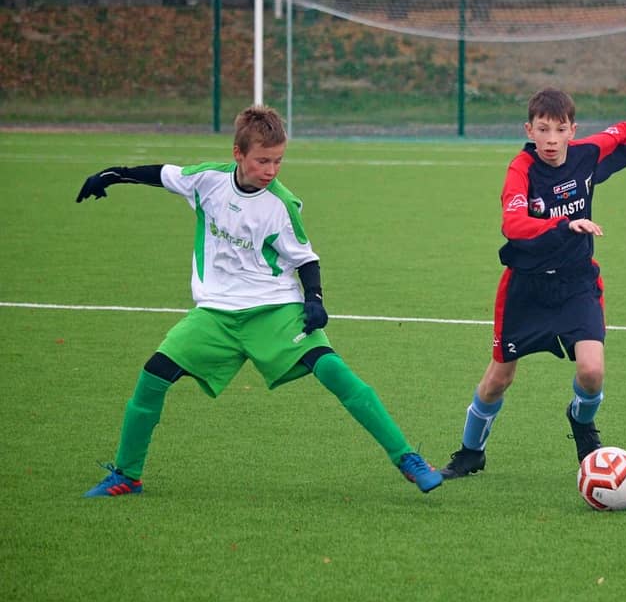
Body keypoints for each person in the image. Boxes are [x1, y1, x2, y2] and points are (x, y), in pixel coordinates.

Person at [76, 105, 443, 496]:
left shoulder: (281, 205)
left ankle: (408, 458)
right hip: (215, 314)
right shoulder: (208, 180)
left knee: (334, 371)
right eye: (262, 161)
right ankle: (127, 475)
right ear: (238, 153)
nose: (271, 170)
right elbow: (162, 173)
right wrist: (111, 175)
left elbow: (306, 259)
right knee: (153, 376)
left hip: (274, 309)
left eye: (278, 161)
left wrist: (314, 300)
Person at [440, 88, 626, 479]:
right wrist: (565, 224)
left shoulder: (586, 156)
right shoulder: (521, 170)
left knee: (592, 372)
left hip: (577, 283)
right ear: (529, 130)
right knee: (498, 379)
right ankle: (470, 453)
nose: (551, 139)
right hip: (526, 288)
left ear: (572, 131)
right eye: (543, 129)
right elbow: (513, 224)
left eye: (559, 130)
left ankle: (581, 422)